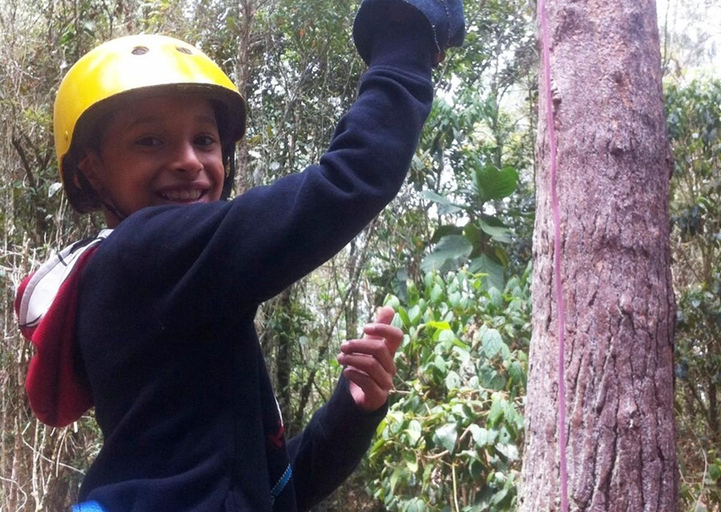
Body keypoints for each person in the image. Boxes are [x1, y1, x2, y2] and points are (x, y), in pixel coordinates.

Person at [14, 0, 464, 510]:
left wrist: (354, 409)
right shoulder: (142, 255)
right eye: (150, 140)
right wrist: (405, 35)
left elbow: (275, 492)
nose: (188, 160)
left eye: (204, 139)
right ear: (93, 172)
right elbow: (348, 183)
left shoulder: (179, 299)